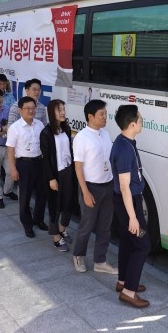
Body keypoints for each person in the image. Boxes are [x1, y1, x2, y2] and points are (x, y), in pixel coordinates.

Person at [110, 105, 150, 308]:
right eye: (140, 119)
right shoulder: (124, 149)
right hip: (129, 202)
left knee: (127, 240)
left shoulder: (124, 142)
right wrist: (133, 217)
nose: (142, 121)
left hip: (125, 200)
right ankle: (129, 292)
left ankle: (123, 281)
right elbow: (125, 187)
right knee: (142, 245)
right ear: (132, 124)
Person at [71, 99, 118, 275]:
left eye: (106, 114)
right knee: (87, 225)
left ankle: (100, 261)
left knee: (105, 227)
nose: (105, 117)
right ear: (90, 116)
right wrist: (85, 192)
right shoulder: (82, 137)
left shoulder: (105, 133)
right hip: (91, 187)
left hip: (107, 185)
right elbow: (78, 168)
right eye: (101, 114)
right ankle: (78, 255)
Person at [6, 96, 48, 238]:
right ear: (20, 110)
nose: (31, 111)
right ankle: (27, 224)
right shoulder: (15, 128)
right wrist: (13, 169)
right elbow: (10, 150)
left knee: (42, 194)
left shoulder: (39, 125)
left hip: (39, 163)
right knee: (25, 196)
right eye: (27, 108)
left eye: (33, 108)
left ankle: (38, 219)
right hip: (24, 164)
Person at [40, 99, 76, 252]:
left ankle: (62, 228)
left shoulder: (66, 128)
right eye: (59, 110)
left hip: (68, 171)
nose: (62, 112)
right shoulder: (46, 133)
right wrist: (51, 178)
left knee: (69, 203)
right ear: (51, 112)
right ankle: (55, 237)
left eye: (63, 109)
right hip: (55, 174)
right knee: (55, 206)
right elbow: (46, 158)